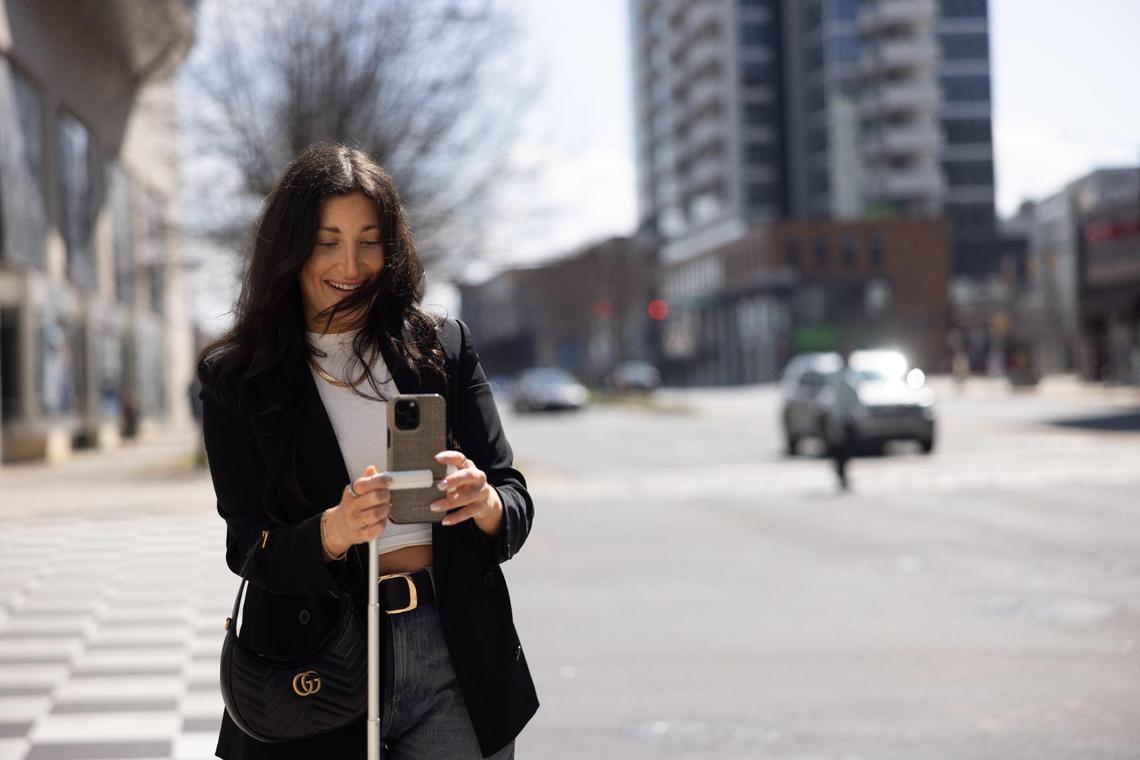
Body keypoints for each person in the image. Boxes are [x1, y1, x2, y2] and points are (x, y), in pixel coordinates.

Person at [196, 143, 537, 759]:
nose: (349, 263)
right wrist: (333, 529)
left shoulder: (442, 349)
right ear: (289, 247)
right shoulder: (237, 379)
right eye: (327, 240)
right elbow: (246, 545)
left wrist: (484, 502)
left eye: (369, 240)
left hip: (453, 651)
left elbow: (513, 496)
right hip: (320, 662)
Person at [825, 347, 860, 491]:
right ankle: (841, 473)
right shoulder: (838, 376)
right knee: (841, 448)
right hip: (840, 418)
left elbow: (855, 398)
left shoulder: (851, 374)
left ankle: (842, 472)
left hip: (848, 418)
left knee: (848, 448)